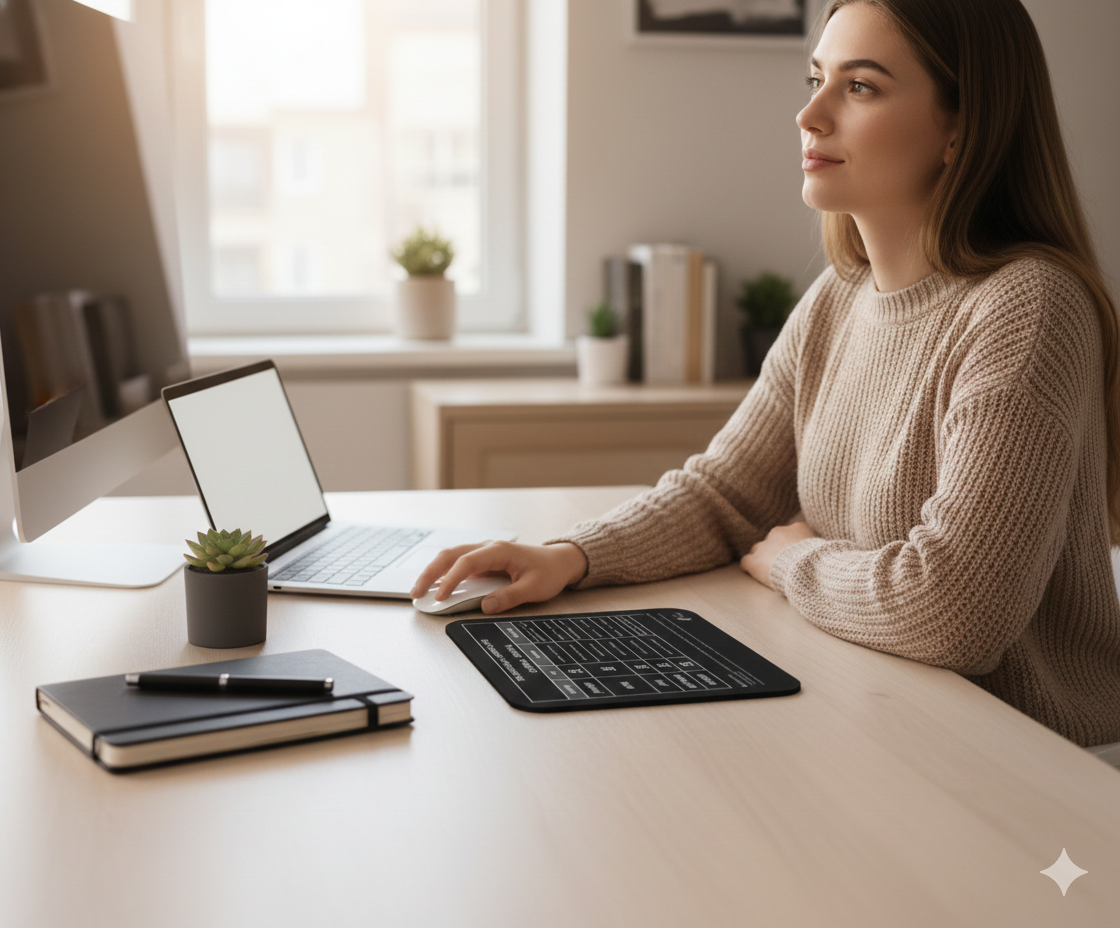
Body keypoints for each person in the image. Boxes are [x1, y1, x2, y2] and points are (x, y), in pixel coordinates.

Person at [411, 0, 1120, 748]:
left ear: (961, 127)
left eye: (861, 87)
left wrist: (795, 562)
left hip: (1028, 756)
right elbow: (727, 495)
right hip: (883, 710)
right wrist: (571, 557)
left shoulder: (1028, 309)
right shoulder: (839, 297)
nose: (810, 115)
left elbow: (955, 611)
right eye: (817, 78)